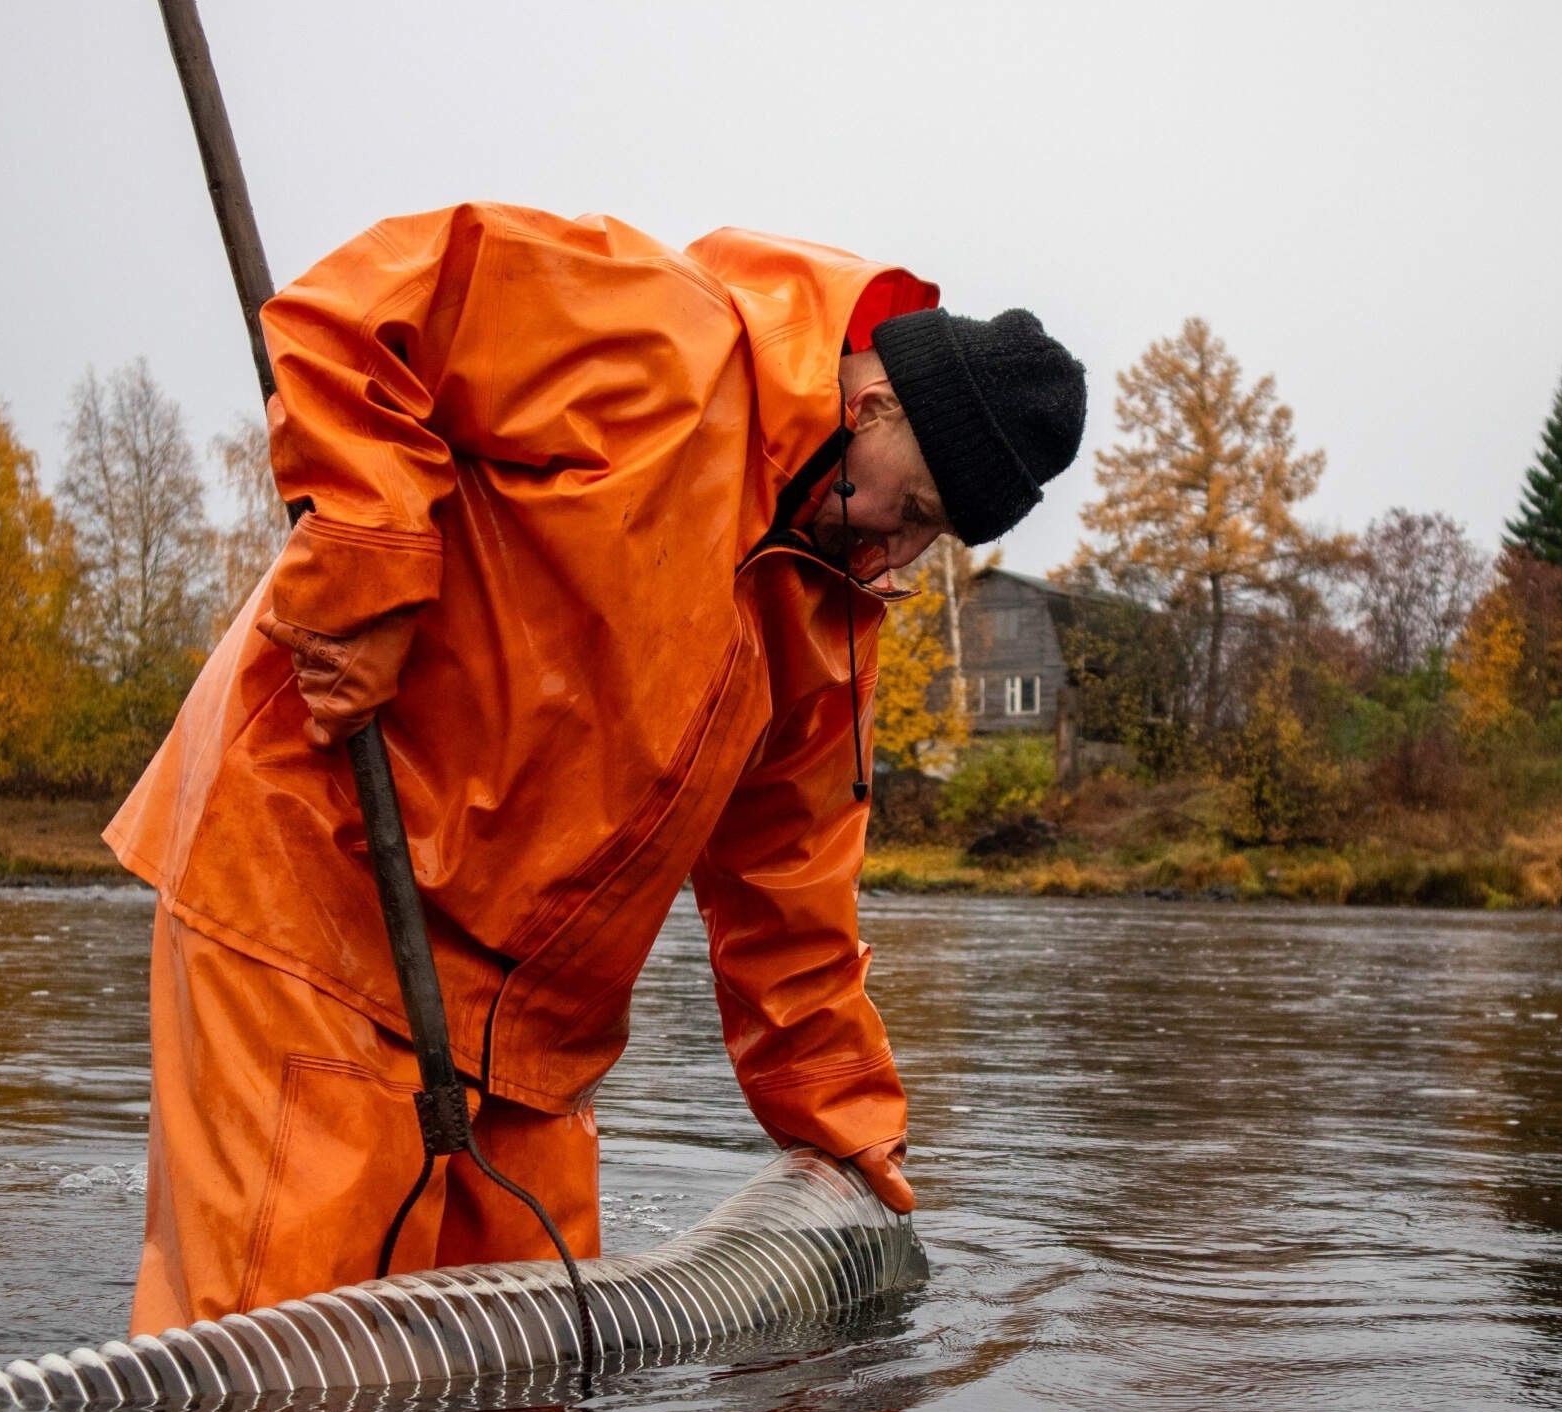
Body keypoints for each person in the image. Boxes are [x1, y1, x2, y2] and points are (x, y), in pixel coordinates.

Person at [106, 202, 1085, 1335]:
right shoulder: (656, 337)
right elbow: (351, 317)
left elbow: (790, 902)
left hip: (531, 1041)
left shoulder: (832, 606)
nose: (895, 549)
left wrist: (852, 1143)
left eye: (930, 537)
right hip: (315, 901)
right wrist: (369, 565)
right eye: (905, 508)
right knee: (283, 1400)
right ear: (868, 404)